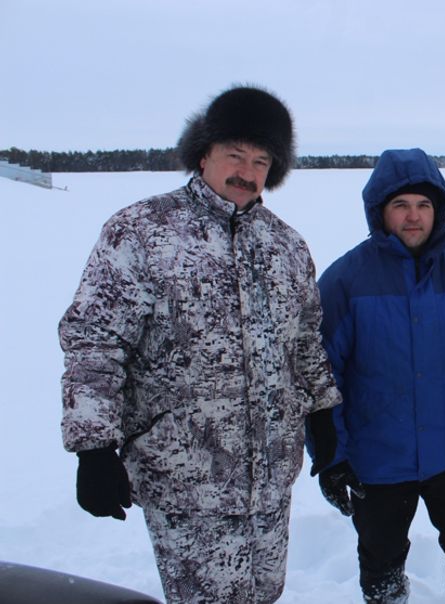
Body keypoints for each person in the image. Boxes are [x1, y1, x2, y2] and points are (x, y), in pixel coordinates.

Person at [59, 85, 343, 603]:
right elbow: (95, 342)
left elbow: (304, 343)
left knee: (263, 596)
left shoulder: (286, 245)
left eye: (261, 160)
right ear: (204, 153)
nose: (247, 171)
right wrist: (93, 446)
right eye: (234, 154)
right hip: (186, 480)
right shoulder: (141, 231)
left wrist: (323, 415)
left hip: (271, 478)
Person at [307, 148, 445, 604]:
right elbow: (318, 374)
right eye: (401, 205)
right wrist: (330, 454)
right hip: (377, 462)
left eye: (423, 205)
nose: (413, 217)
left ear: (438, 210)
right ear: (380, 212)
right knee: (381, 563)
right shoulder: (347, 281)